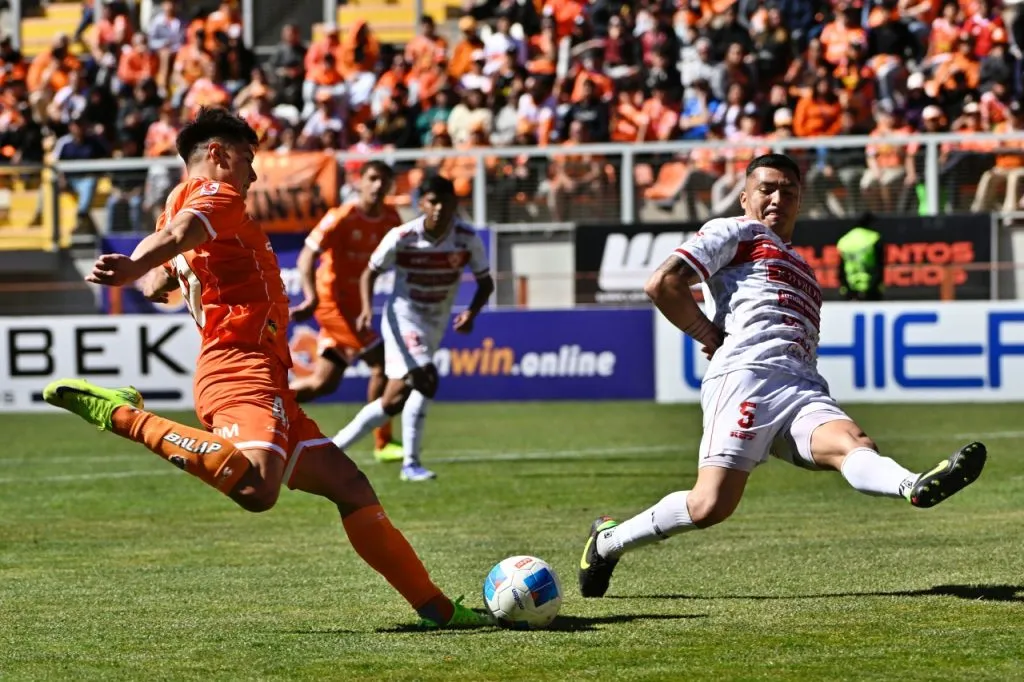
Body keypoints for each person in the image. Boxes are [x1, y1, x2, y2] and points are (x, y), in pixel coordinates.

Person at [42, 107, 488, 629]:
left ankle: (436, 609)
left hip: (263, 371)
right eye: (249, 161)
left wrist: (155, 271)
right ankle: (124, 416)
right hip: (240, 363)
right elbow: (174, 243)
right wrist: (141, 265)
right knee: (257, 488)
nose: (253, 176)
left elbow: (160, 274)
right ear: (218, 155)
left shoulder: (174, 206)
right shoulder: (216, 195)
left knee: (351, 486)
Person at [577, 153, 987, 598]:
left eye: (788, 191)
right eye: (766, 188)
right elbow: (663, 284)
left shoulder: (803, 266)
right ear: (745, 196)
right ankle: (607, 543)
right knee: (710, 505)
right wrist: (709, 334)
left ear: (799, 200)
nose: (777, 198)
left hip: (801, 385)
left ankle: (914, 485)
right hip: (746, 377)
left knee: (854, 444)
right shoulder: (736, 231)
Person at [331, 175, 494, 482]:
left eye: (445, 201)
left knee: (394, 398)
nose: (438, 208)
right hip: (402, 318)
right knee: (426, 377)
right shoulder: (402, 236)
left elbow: (486, 283)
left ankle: (333, 448)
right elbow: (370, 273)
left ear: (454, 204)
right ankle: (411, 463)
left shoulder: (466, 238)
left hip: (435, 321)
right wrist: (367, 308)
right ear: (421, 203)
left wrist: (471, 313)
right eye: (432, 201)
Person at [288, 160, 405, 463]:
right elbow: (306, 256)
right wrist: (312, 297)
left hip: (356, 309)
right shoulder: (342, 216)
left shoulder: (391, 218)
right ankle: (383, 443)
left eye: (384, 180)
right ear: (360, 182)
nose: (378, 186)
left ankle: (265, 405)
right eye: (373, 179)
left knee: (322, 384)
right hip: (332, 304)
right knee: (383, 365)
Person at [836, 213, 885, 301]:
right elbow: (880, 266)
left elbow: (841, 270)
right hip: (871, 291)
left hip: (849, 291)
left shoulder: (843, 241)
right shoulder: (874, 238)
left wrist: (847, 289)